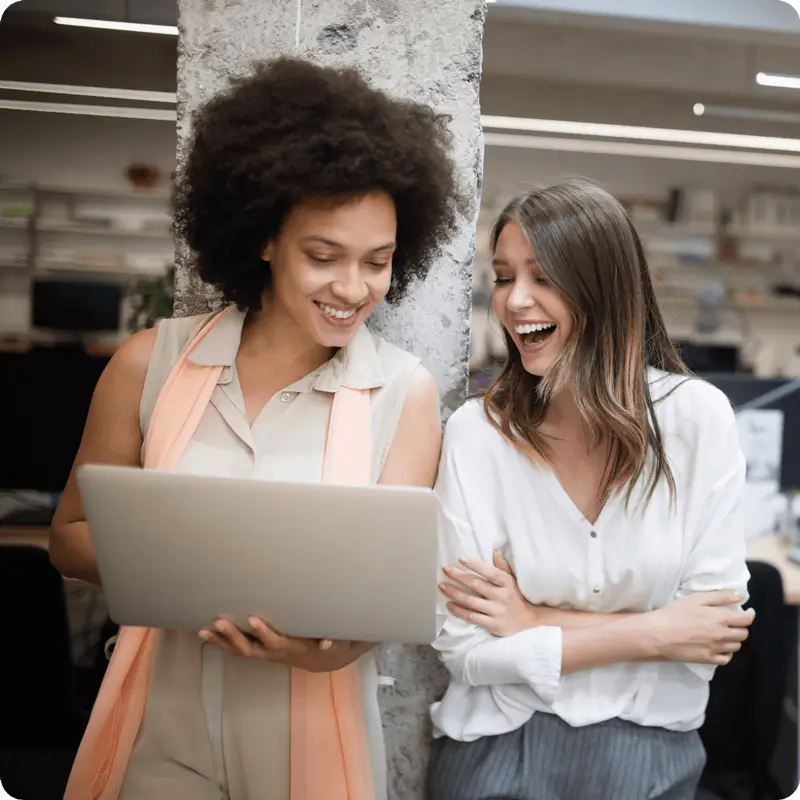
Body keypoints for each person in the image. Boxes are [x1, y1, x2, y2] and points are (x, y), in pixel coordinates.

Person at [50, 56, 461, 800]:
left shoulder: (405, 393)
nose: (353, 289)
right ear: (264, 240)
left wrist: (323, 652)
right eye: (322, 256)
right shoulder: (151, 364)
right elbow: (68, 538)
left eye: (378, 262)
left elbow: (385, 595)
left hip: (308, 718)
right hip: (158, 716)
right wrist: (186, 567)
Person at [427, 180, 754, 800]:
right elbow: (464, 648)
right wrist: (654, 633)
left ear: (605, 289)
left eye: (543, 276)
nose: (516, 300)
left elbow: (712, 632)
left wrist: (531, 619)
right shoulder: (479, 434)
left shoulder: (696, 420)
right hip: (499, 749)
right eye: (503, 276)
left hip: (652, 756)